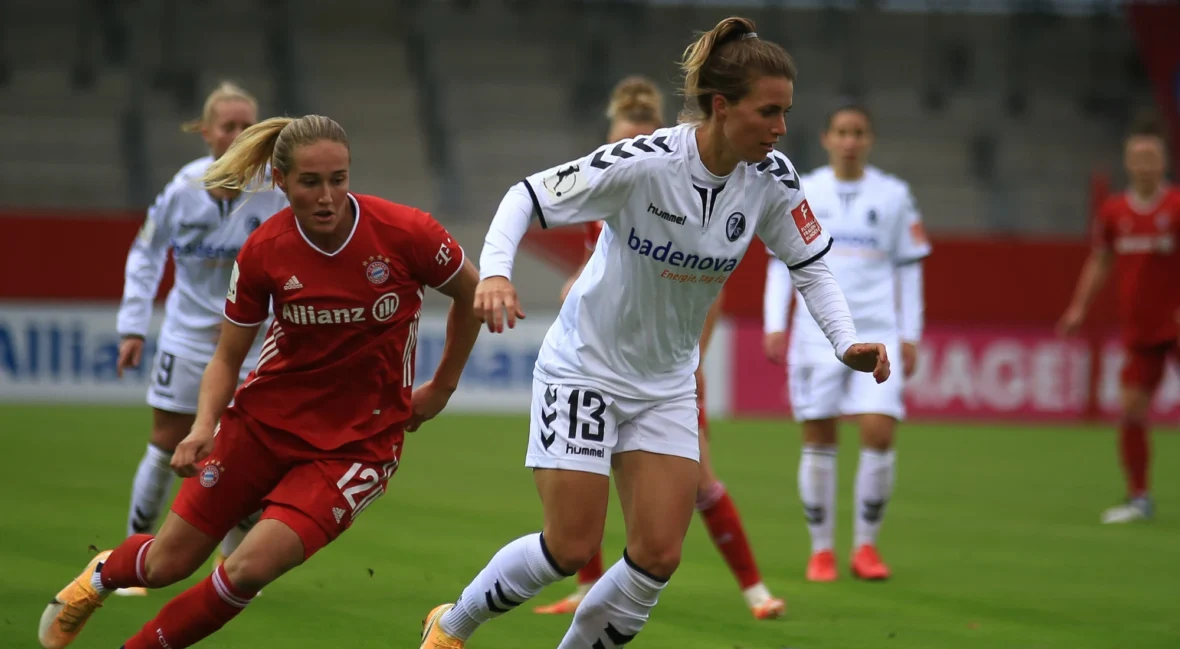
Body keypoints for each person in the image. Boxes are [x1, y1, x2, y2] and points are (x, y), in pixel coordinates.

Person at [420, 17, 889, 649]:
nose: (781, 128)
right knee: (570, 546)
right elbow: (524, 197)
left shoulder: (773, 178)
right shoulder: (645, 162)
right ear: (722, 107)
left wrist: (844, 341)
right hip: (584, 367)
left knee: (657, 557)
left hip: (666, 382)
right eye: (768, 112)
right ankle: (452, 628)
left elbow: (810, 265)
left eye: (785, 112)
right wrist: (496, 275)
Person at [37, 114, 483, 649]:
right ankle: (104, 575)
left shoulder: (406, 232)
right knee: (165, 563)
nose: (326, 197)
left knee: (246, 569)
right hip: (262, 427)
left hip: (355, 448)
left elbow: (471, 294)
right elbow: (228, 356)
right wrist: (204, 426)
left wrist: (442, 386)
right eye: (309, 182)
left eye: (338, 179)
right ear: (279, 180)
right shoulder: (264, 251)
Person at [536, 75, 785, 620]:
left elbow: (704, 293)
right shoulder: (605, 202)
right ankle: (587, 587)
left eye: (637, 139)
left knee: (699, 483)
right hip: (608, 363)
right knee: (586, 471)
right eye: (614, 144)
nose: (622, 153)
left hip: (667, 371)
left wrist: (694, 361)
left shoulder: (678, 191)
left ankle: (755, 589)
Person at [112, 81, 287, 597]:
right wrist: (131, 324)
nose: (237, 135)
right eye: (227, 125)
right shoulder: (182, 188)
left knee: (251, 451)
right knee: (167, 445)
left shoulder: (275, 192)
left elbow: (291, 265)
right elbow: (146, 253)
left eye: (246, 126)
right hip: (187, 338)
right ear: (206, 131)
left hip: (252, 343)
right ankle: (132, 553)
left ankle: (231, 567)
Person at [762, 102, 930, 583]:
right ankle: (821, 552)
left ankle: (866, 547)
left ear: (869, 140)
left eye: (858, 132)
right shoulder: (805, 190)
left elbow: (909, 268)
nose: (850, 140)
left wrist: (911, 334)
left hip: (879, 331)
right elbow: (781, 262)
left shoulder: (894, 195)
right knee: (818, 436)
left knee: (879, 432)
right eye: (842, 132)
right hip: (815, 335)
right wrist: (776, 322)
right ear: (826, 138)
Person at [1058, 114, 1180, 524]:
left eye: (1152, 157)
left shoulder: (1177, 206)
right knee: (1131, 410)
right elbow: (1101, 261)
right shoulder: (1114, 212)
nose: (1145, 165)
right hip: (1140, 327)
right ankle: (1139, 496)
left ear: (1163, 161)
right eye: (1138, 157)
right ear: (1128, 162)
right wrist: (1078, 307)